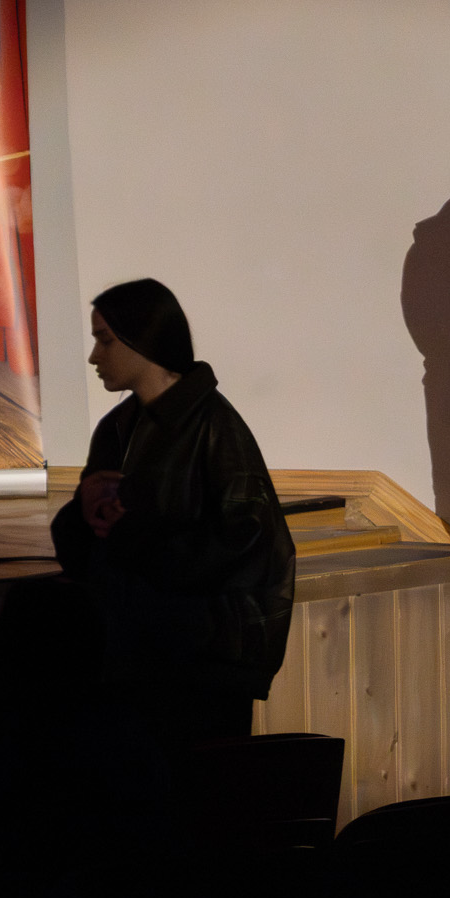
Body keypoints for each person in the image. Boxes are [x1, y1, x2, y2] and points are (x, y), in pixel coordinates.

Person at [51, 279, 296, 748]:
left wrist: (132, 534)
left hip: (200, 667)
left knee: (192, 786)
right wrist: (83, 513)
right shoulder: (117, 428)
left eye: (105, 340)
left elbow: (245, 547)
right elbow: (87, 550)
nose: (94, 356)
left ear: (143, 340)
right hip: (130, 658)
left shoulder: (217, 428)